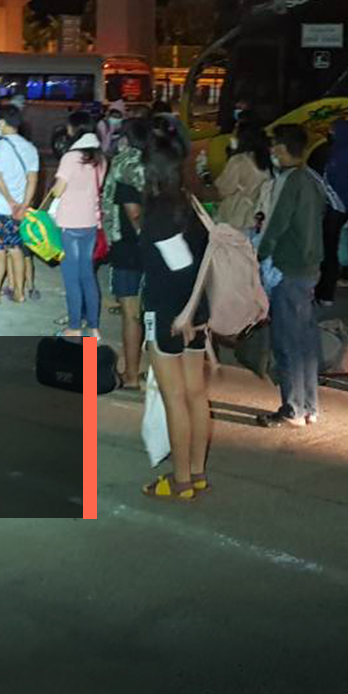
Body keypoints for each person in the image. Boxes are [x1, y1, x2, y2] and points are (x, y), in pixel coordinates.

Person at [138, 143, 213, 500]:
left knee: (175, 398)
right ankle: (196, 472)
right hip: (197, 311)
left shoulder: (160, 213)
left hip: (170, 313)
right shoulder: (190, 205)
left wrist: (181, 315)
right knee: (196, 394)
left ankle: (180, 480)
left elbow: (179, 267)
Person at [255, 124, 327, 427]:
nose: (272, 151)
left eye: (275, 146)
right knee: (305, 342)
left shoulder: (290, 181)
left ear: (284, 149)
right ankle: (309, 406)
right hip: (308, 268)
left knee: (287, 342)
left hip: (290, 268)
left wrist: (259, 253)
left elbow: (277, 224)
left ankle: (293, 407)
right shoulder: (311, 179)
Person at [44, 111, 104, 338]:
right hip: (90, 223)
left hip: (70, 223)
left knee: (71, 277)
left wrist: (55, 186)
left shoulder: (71, 157)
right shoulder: (101, 157)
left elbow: (58, 191)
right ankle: (94, 328)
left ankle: (74, 327)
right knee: (87, 275)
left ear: (75, 129)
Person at [103, 118, 151, 386]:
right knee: (152, 313)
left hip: (129, 249)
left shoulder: (124, 167)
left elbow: (133, 213)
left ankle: (131, 375)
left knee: (131, 313)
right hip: (158, 248)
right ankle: (157, 373)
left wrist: (146, 239)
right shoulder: (157, 164)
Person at [0, 104, 41, 306]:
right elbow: (33, 179)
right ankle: (19, 293)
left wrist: (9, 201)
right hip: (20, 210)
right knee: (17, 249)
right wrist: (23, 205)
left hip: (0, 207)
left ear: (2, 122)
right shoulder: (30, 148)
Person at [306, 143, 348, 306]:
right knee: (331, 251)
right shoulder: (346, 156)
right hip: (340, 209)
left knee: (323, 252)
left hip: (329, 210)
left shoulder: (320, 159)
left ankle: (320, 292)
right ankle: (326, 294)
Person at [322, 118, 348, 292]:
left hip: (341, 204)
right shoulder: (347, 151)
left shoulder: (342, 154)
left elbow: (337, 182)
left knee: (332, 243)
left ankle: (337, 277)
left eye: (332, 130)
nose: (330, 134)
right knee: (346, 239)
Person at [211, 117, 272, 231]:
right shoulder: (267, 160)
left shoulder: (239, 161)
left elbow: (223, 190)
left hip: (235, 217)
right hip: (255, 218)